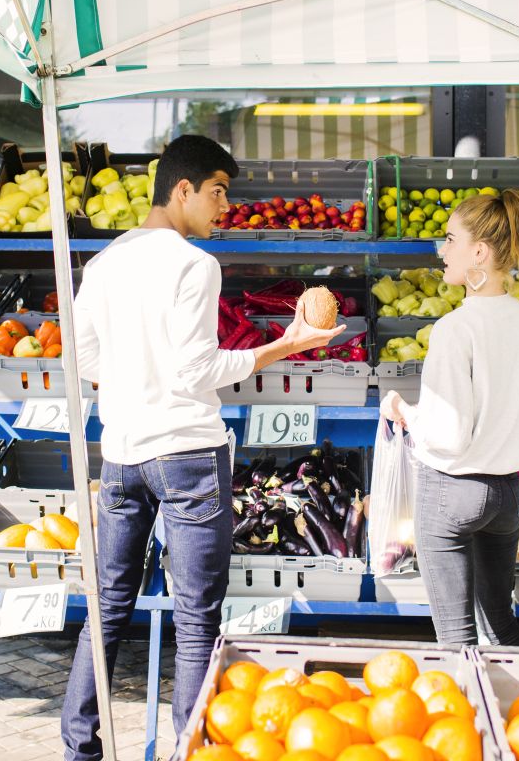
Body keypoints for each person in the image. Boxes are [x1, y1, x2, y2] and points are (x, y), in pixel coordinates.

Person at [61, 135, 344, 761]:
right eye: (217, 192)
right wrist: (287, 345)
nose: (225, 207)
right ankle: (190, 751)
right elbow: (196, 373)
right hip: (187, 456)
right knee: (195, 622)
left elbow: (82, 358)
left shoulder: (105, 262)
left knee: (106, 610)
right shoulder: (194, 264)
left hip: (124, 455)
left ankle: (79, 750)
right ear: (181, 189)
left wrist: (136, 384)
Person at [379, 189, 519, 647]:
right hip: (507, 491)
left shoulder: (455, 329)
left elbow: (447, 435)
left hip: (453, 490)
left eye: (450, 239)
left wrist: (402, 410)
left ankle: (471, 717)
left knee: (457, 638)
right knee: (501, 625)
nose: (442, 250)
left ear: (480, 253)